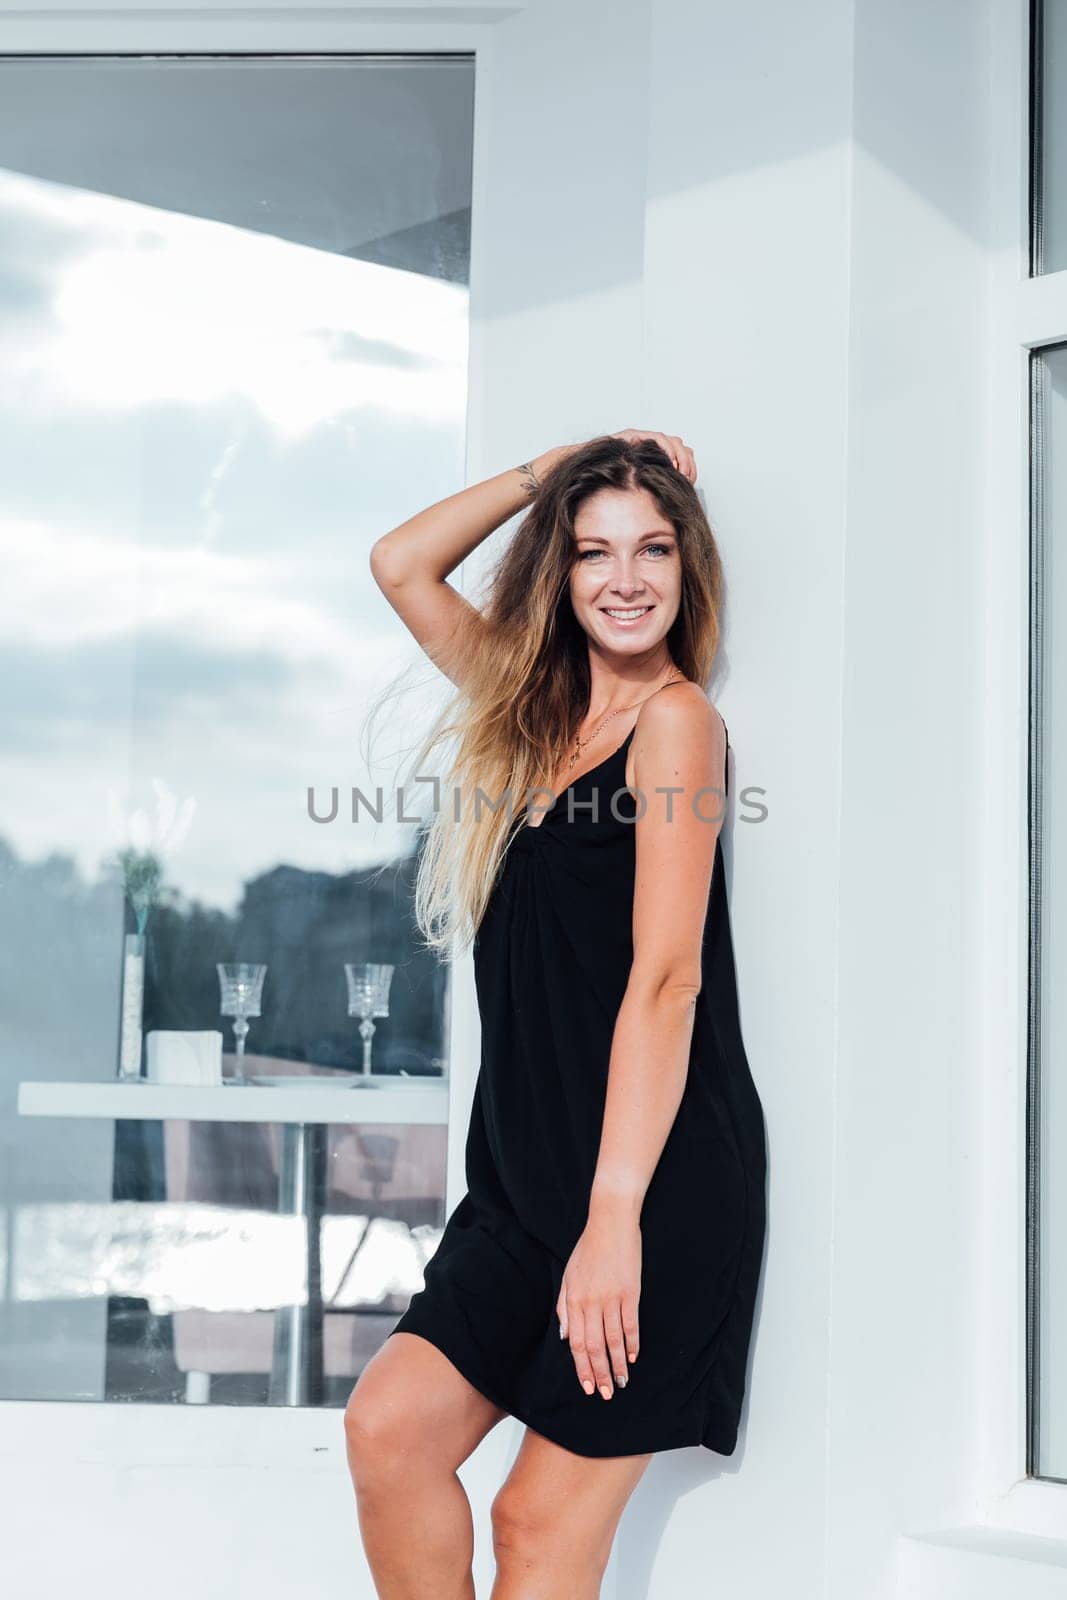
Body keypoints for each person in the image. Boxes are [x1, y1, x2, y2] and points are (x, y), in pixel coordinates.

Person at [343, 429, 768, 1599]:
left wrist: (612, 1217)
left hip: (646, 1188)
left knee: (533, 1524)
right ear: (559, 572)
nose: (623, 578)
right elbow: (399, 563)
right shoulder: (526, 715)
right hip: (520, 1187)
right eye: (591, 553)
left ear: (687, 571)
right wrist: (559, 462)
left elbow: (664, 980)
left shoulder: (675, 724)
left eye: (651, 549)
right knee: (390, 1432)